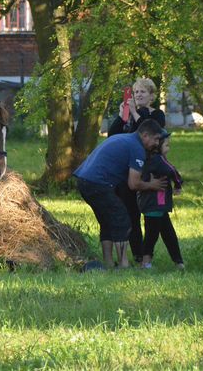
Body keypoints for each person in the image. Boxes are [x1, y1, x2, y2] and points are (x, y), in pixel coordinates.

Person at [74, 119, 167, 269]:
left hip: (84, 180)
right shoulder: (137, 148)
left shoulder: (124, 139)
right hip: (98, 183)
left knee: (107, 222)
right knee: (122, 219)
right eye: (156, 139)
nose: (157, 143)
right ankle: (123, 264)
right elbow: (133, 183)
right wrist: (152, 185)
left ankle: (109, 263)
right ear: (145, 136)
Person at [108, 78, 166, 265]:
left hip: (148, 170)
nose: (138, 95)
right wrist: (122, 116)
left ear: (152, 96)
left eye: (143, 92)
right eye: (136, 92)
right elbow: (113, 136)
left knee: (154, 216)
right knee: (130, 212)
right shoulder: (128, 114)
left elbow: (148, 132)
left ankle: (154, 255)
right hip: (127, 170)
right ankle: (138, 254)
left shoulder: (157, 115)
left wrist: (134, 112)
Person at [137, 130, 185, 269]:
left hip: (151, 204)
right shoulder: (159, 160)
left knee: (168, 233)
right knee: (152, 235)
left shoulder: (147, 159)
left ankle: (178, 261)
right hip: (157, 204)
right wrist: (178, 184)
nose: (168, 149)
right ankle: (146, 262)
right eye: (167, 146)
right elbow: (173, 171)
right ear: (158, 147)